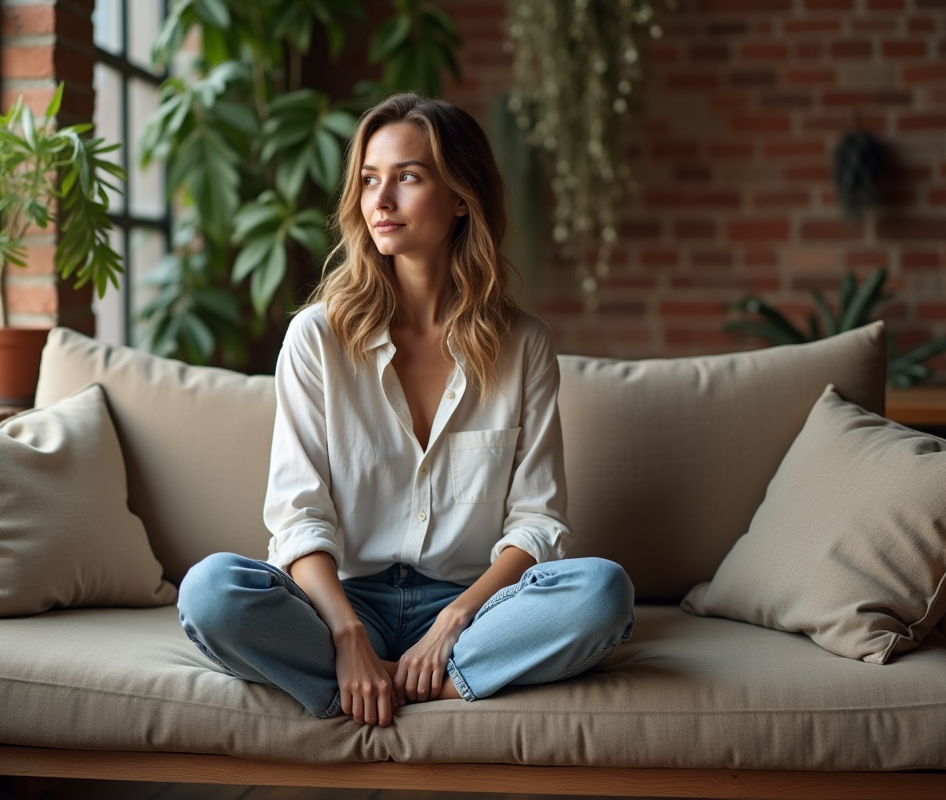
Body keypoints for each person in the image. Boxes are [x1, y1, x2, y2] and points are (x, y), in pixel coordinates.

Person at [177, 93, 634, 727]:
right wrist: (345, 635)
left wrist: (454, 619)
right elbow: (299, 514)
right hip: (340, 599)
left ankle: (414, 682)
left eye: (407, 177)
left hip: (472, 606)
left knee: (603, 593)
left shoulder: (523, 344)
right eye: (369, 180)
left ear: (461, 199)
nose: (380, 201)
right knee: (211, 592)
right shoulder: (317, 338)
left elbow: (536, 522)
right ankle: (396, 676)